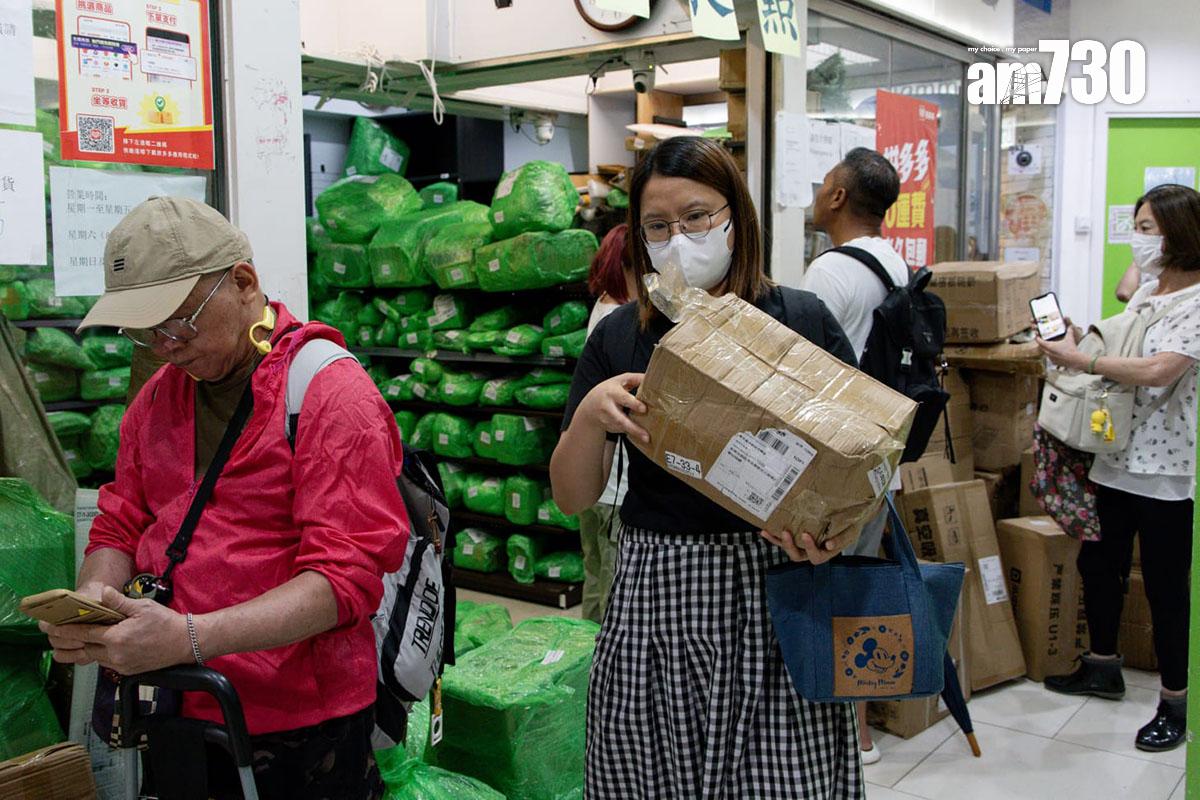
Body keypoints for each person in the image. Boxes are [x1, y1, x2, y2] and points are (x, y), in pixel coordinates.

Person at [39, 197, 409, 798]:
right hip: (175, 706)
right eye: (143, 331)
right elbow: (121, 523)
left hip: (296, 722)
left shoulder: (330, 394)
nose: (164, 346)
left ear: (242, 283)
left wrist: (190, 635)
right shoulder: (158, 399)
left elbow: (344, 579)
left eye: (177, 321)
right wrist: (93, 602)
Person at [551, 136, 865, 798]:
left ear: (734, 216)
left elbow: (862, 465)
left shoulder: (800, 320)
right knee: (652, 776)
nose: (678, 239)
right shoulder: (620, 335)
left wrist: (835, 535)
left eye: (696, 217)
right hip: (656, 590)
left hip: (777, 589)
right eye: (657, 226)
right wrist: (589, 419)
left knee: (782, 780)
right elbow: (571, 496)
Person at [1038, 183, 1200, 753]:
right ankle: (1102, 665)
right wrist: (1078, 342)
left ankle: (1175, 702)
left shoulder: (1197, 301)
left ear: (1179, 232)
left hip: (1165, 470)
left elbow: (1159, 370)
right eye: (1137, 226)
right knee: (1099, 566)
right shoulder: (1150, 291)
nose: (1138, 238)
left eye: (1148, 228)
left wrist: (1085, 360)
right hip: (1115, 454)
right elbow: (1126, 347)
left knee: (1164, 587)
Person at [801, 146, 910, 766]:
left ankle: (838, 735)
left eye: (824, 183)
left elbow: (801, 376)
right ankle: (860, 731)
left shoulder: (830, 272)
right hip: (880, 456)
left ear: (839, 195)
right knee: (859, 589)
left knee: (824, 595)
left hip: (835, 464)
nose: (817, 192)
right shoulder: (895, 262)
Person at [577, 223, 636, 624]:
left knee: (596, 573)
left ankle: (587, 649)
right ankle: (599, 651)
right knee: (614, 585)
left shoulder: (601, 307)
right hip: (617, 481)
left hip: (596, 477)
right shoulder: (622, 320)